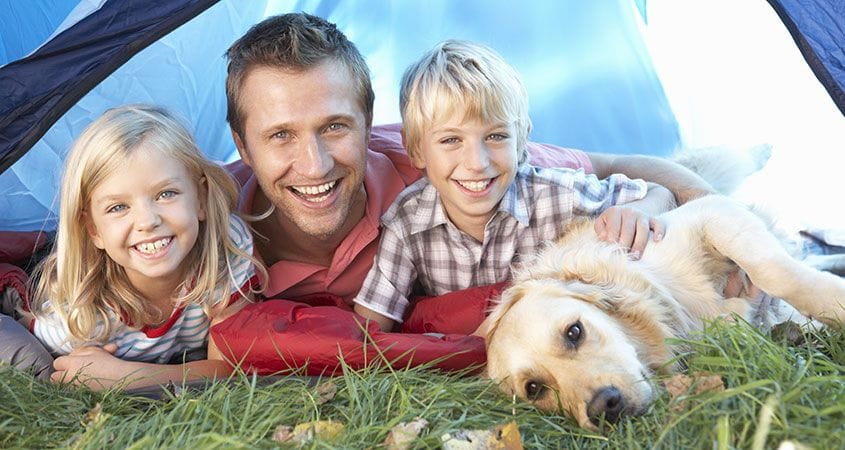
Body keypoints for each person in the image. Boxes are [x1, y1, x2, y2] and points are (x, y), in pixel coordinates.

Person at [224, 13, 714, 307]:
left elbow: (617, 165)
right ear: (243, 145)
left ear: (369, 121)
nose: (314, 165)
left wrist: (694, 212)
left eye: (334, 127)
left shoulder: (445, 161)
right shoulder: (198, 218)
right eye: (280, 135)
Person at [351, 40, 676, 332]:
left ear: (521, 141)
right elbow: (371, 324)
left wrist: (637, 211)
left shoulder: (554, 195)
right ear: (417, 149)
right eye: (451, 140)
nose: (477, 162)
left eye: (496, 136)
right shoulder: (407, 223)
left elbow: (658, 193)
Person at [19, 104, 263, 390]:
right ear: (93, 229)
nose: (147, 221)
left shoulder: (225, 249)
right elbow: (52, 356)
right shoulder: (76, 314)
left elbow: (231, 369)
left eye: (166, 194)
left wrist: (124, 376)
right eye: (118, 207)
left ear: (200, 198)